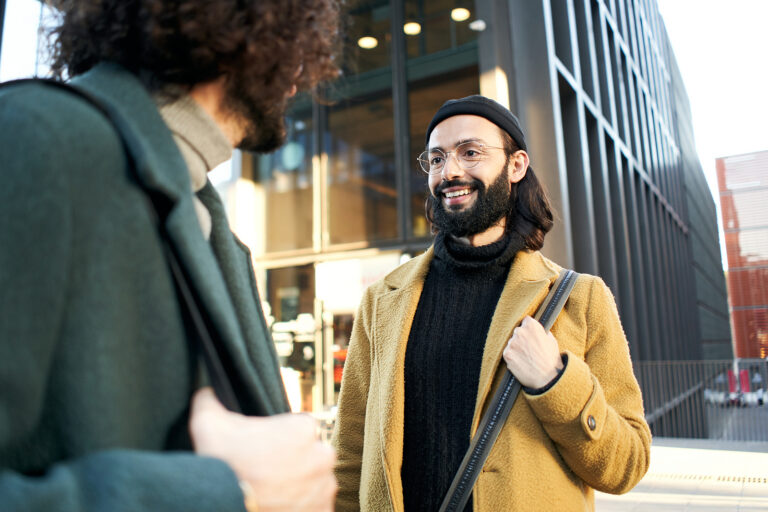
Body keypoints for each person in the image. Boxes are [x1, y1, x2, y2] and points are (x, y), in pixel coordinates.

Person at [0, 1, 340, 511]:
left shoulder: (208, 220)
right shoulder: (36, 137)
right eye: (300, 27)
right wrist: (230, 496)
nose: (305, 66)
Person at [332, 95, 651, 511]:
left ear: (516, 165)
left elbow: (627, 465)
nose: (451, 172)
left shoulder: (580, 298)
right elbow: (350, 458)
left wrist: (556, 381)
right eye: (437, 158)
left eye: (471, 153)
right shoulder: (383, 300)